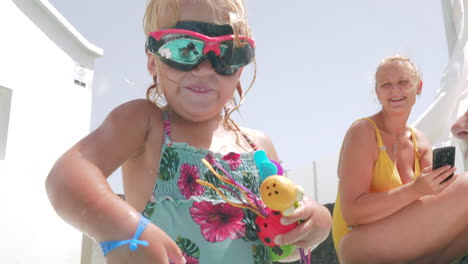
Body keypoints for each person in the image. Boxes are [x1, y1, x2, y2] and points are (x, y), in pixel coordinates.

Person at [45, 0, 332, 263]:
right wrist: (127, 229)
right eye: (185, 48)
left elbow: (278, 240)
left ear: (241, 68)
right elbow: (67, 177)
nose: (205, 69)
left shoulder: (257, 146)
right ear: (152, 61)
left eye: (227, 53)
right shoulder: (145, 123)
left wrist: (313, 225)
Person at [332, 55, 468, 264]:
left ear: (419, 87)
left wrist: (440, 183)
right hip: (358, 246)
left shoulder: (420, 142)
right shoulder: (363, 131)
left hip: (405, 244)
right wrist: (416, 189)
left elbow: (434, 204)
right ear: (377, 92)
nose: (395, 90)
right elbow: (352, 213)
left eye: (403, 82)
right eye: (386, 85)